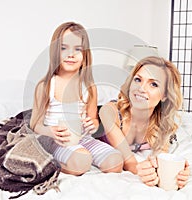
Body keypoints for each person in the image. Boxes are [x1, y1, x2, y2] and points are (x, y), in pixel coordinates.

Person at [30, 22, 123, 175]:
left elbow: (93, 119)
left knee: (116, 162)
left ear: (85, 54)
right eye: (63, 48)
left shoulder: (89, 87)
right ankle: (53, 164)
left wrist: (92, 125)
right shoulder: (46, 86)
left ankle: (80, 158)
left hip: (84, 140)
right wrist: (50, 132)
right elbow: (35, 124)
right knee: (81, 161)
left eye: (77, 49)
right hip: (57, 142)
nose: (71, 54)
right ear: (55, 52)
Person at [99, 56, 190, 188]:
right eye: (138, 80)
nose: (141, 88)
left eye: (153, 84)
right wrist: (141, 171)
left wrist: (178, 171)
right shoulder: (109, 112)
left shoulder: (161, 125)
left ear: (164, 95)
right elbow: (128, 161)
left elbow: (161, 158)